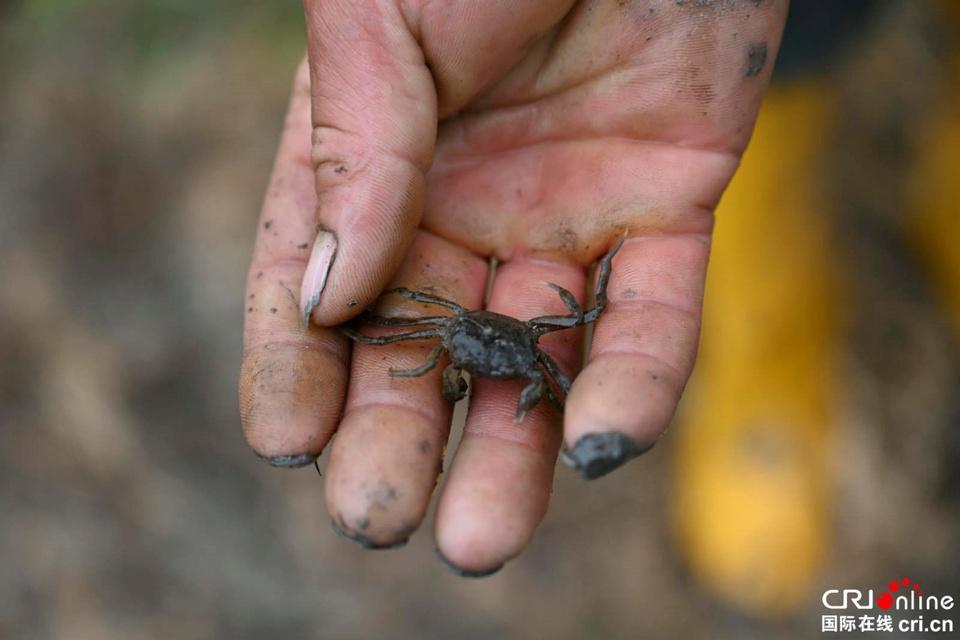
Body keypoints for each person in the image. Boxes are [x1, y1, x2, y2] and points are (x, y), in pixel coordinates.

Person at [239, 0, 789, 578]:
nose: (481, 369)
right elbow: (417, 325)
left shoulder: (533, 359)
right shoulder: (448, 328)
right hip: (471, 321)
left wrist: (559, 372)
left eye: (491, 366)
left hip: (746, 74)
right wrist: (377, 334)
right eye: (475, 363)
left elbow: (586, 318)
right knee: (391, 333)